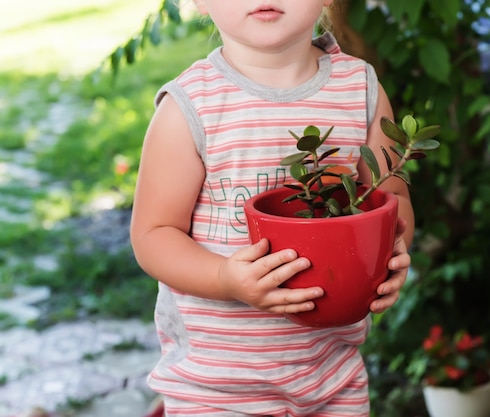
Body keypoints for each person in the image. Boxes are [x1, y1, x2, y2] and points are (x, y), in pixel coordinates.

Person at [130, 0, 415, 415]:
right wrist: (225, 277)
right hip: (218, 387)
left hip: (332, 377)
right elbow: (153, 235)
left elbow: (392, 198)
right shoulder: (191, 106)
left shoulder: (360, 88)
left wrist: (390, 250)